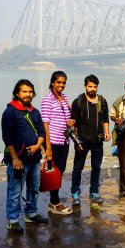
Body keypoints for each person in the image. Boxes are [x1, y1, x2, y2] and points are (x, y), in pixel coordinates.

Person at [1, 79, 48, 234]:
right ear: (17, 93)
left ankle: (31, 213)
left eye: (30, 91)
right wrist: (14, 158)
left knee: (34, 188)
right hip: (18, 160)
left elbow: (42, 132)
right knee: (15, 191)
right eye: (24, 91)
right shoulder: (10, 112)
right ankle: (13, 220)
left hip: (34, 159)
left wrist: (37, 145)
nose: (28, 94)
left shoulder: (35, 112)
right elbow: (7, 138)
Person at [70, 74, 111, 205]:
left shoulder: (102, 101)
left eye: (94, 86)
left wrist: (107, 132)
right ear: (85, 86)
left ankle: (94, 192)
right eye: (90, 86)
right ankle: (75, 192)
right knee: (78, 167)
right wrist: (76, 141)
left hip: (97, 140)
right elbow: (74, 122)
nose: (92, 89)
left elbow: (105, 119)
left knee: (96, 167)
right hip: (82, 140)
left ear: (97, 87)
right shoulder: (78, 101)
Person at [41, 71, 74, 215]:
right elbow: (45, 125)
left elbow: (68, 118)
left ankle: (54, 201)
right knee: (54, 172)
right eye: (58, 82)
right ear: (53, 82)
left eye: (63, 82)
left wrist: (72, 122)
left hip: (64, 140)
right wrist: (47, 147)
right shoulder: (48, 99)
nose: (61, 85)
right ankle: (54, 202)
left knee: (60, 170)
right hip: (53, 142)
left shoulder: (65, 98)